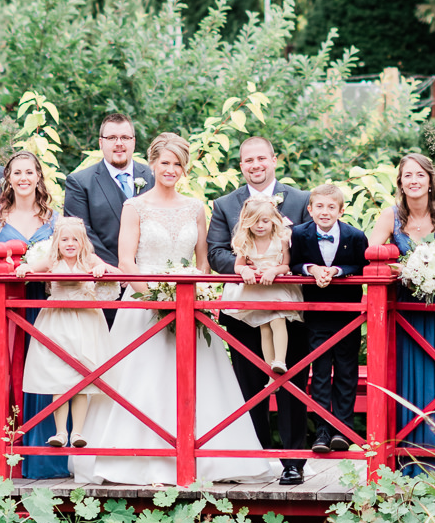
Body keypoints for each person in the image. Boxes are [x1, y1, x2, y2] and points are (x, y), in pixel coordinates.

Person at [71, 132, 280, 485]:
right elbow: (126, 261)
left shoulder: (195, 207)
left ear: (185, 169)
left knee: (197, 382)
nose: (171, 170)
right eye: (165, 163)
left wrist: (193, 299)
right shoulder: (134, 207)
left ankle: (209, 458)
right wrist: (156, 299)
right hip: (142, 309)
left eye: (178, 164)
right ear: (152, 164)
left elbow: (202, 266)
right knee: (141, 382)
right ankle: (138, 459)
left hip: (189, 309)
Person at [207, 136, 312, 471]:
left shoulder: (301, 200)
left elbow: (312, 245)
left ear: (274, 159)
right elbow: (216, 251)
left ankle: (293, 461)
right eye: (248, 160)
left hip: (287, 303)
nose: (255, 165)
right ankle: (257, 459)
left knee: (291, 379)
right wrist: (246, 267)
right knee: (249, 382)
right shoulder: (225, 205)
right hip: (244, 304)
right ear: (241, 166)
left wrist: (284, 264)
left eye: (261, 159)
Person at [369, 152, 435, 464]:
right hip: (406, 310)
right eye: (407, 176)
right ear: (400, 183)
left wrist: (424, 268)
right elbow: (371, 250)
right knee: (408, 376)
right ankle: (408, 454)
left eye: (420, 175)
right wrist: (403, 266)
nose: (413, 181)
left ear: (430, 181)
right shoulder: (390, 217)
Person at [0, 150, 58, 478]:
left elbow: (64, 257)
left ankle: (42, 456)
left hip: (40, 306)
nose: (23, 178)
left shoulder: (53, 218)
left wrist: (37, 266)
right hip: (2, 305)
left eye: (29, 172)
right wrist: (8, 267)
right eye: (16, 172)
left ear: (38, 177)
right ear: (8, 178)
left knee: (44, 372)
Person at [16, 216, 118, 452]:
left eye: (74, 239)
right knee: (59, 378)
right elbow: (31, 268)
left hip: (85, 321)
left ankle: (78, 432)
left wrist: (103, 267)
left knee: (83, 378)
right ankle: (61, 431)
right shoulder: (53, 259)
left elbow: (117, 273)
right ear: (57, 243)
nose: (69, 243)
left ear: (83, 242)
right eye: (64, 239)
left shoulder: (90, 259)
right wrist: (25, 268)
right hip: (58, 321)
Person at [288, 183, 368, 453]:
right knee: (320, 372)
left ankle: (343, 430)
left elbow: (362, 265)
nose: (325, 212)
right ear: (309, 209)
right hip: (315, 313)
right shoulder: (298, 234)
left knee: (346, 371)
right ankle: (322, 431)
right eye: (319, 206)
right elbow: (293, 263)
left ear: (341, 210)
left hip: (347, 315)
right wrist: (311, 269)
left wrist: (336, 270)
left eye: (331, 207)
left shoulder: (355, 236)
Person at [63, 112, 155, 267]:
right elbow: (81, 233)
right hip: (104, 277)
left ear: (133, 142)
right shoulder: (79, 183)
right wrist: (117, 270)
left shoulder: (153, 177)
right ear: (101, 143)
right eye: (111, 138)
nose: (119, 143)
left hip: (150, 275)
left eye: (125, 138)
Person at [223, 195, 301, 373]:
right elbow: (238, 266)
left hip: (277, 288)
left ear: (274, 221)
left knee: (278, 319)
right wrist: (246, 271)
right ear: (247, 222)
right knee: (264, 327)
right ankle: (270, 372)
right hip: (257, 289)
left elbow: (286, 265)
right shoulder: (246, 242)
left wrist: (273, 271)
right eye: (255, 221)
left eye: (265, 221)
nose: (260, 226)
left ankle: (280, 361)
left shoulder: (280, 240)